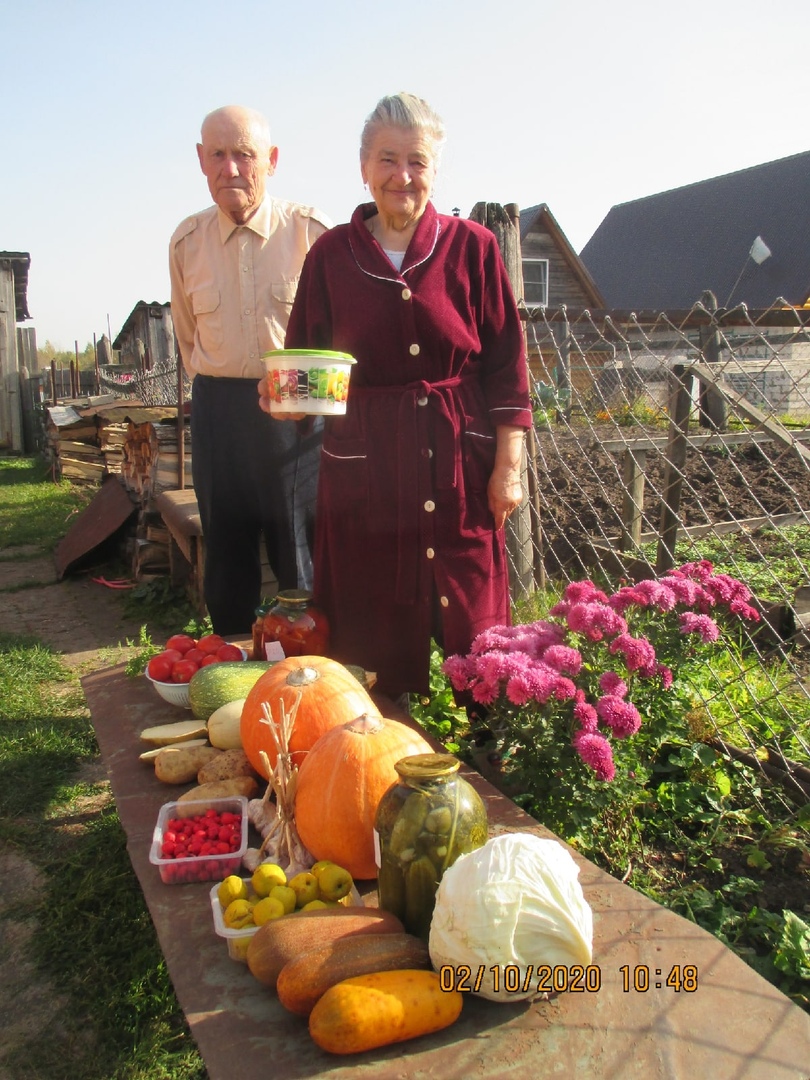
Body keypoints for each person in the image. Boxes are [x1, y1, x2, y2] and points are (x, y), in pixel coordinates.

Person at [258, 92, 532, 702]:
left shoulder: (474, 248)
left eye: (417, 161)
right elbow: (305, 368)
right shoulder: (331, 256)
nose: (401, 175)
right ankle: (372, 740)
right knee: (368, 632)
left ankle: (489, 737)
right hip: (366, 475)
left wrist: (508, 469)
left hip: (459, 466)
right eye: (387, 159)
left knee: (477, 630)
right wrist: (285, 399)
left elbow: (508, 370)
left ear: (435, 169)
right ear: (363, 167)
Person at [170, 105, 331, 636]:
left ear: (272, 160)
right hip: (218, 411)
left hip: (296, 413)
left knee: (300, 557)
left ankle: (310, 670)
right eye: (218, 154)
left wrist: (299, 402)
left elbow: (338, 340)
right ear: (201, 160)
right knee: (227, 561)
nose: (231, 168)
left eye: (244, 154)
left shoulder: (311, 234)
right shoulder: (186, 242)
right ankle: (233, 669)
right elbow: (188, 337)